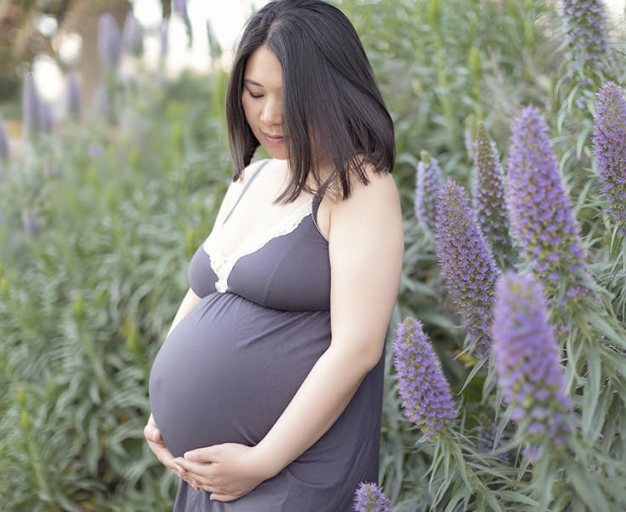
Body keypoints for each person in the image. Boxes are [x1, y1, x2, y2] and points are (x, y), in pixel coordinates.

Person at [143, 0, 403, 509]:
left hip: (289, 475)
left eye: (290, 97)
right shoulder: (254, 178)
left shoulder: (359, 187)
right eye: (254, 92)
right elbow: (201, 292)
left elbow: (358, 349)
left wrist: (260, 461)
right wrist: (162, 410)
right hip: (209, 477)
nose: (269, 115)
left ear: (335, 90)